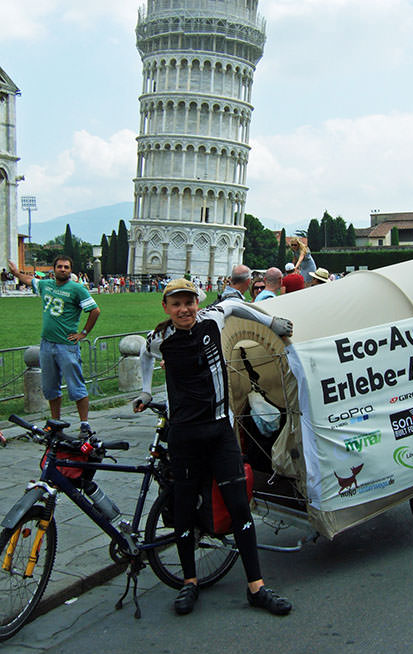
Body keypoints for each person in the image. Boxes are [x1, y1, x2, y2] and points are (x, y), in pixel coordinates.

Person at [133, 278, 293, 616]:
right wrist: (146, 391)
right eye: (176, 304)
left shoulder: (212, 318)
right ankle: (189, 581)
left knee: (238, 507)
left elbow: (236, 306)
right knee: (185, 510)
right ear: (166, 308)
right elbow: (143, 356)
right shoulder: (160, 338)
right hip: (184, 436)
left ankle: (257, 586)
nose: (184, 309)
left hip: (220, 432)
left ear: (197, 302)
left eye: (189, 302)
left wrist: (271, 323)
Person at [8, 256, 100, 428]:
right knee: (50, 387)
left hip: (67, 345)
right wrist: (16, 273)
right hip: (47, 344)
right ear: (54, 269)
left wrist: (84, 333)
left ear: (70, 270)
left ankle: (84, 424)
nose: (63, 269)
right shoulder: (46, 285)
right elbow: (30, 280)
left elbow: (95, 310)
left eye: (66, 267)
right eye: (59, 266)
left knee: (76, 387)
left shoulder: (77, 289)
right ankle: (55, 422)